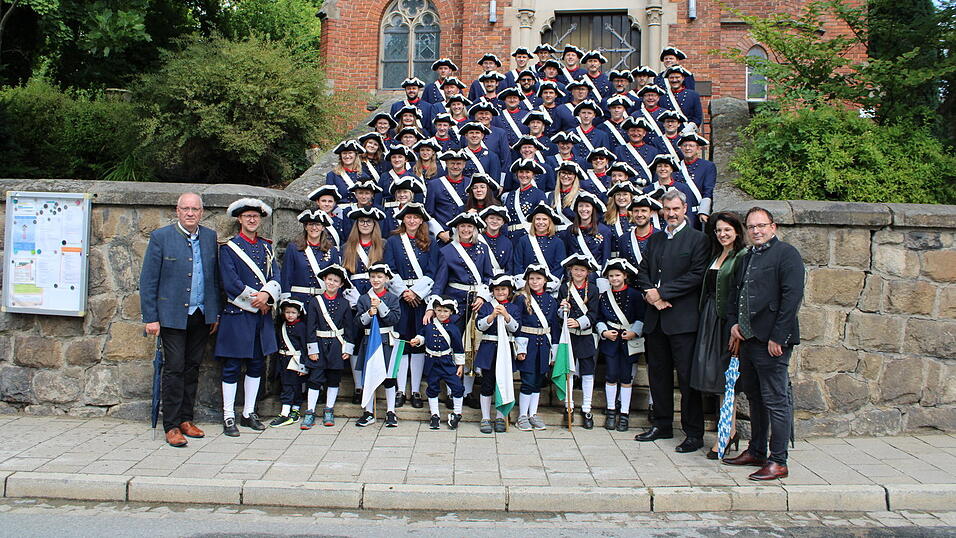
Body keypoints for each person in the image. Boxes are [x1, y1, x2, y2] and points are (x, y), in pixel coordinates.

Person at [723, 207, 804, 481]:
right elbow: (736, 294)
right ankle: (757, 450)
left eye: (761, 225)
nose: (756, 231)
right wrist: (733, 324)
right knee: (754, 397)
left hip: (772, 342)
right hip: (748, 339)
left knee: (776, 400)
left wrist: (778, 337)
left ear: (773, 227)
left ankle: (778, 460)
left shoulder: (786, 254)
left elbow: (791, 297)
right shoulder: (747, 257)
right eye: (751, 227)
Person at [140, 192, 220, 447]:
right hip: (172, 316)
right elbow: (148, 280)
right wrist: (151, 317)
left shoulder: (209, 237)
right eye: (186, 209)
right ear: (177, 211)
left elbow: (213, 278)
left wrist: (214, 312)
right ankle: (172, 425)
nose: (190, 213)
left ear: (201, 212)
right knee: (174, 368)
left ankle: (186, 418)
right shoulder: (161, 237)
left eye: (195, 209)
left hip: (200, 314)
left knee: (192, 367)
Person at [634, 189, 709, 453]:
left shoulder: (698, 239)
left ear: (685, 209)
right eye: (667, 209)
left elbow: (697, 275)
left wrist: (663, 293)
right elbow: (643, 271)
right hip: (656, 319)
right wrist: (652, 296)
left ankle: (693, 433)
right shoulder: (655, 239)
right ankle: (662, 424)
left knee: (687, 380)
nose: (671, 214)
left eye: (676, 209)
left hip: (683, 321)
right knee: (658, 375)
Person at [215, 198, 282, 437]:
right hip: (238, 315)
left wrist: (268, 296)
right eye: (247, 216)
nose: (252, 220)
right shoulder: (229, 248)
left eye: (255, 216)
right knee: (232, 366)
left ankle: (248, 412)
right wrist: (258, 302)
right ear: (239, 219)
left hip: (261, 316)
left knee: (256, 365)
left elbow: (276, 276)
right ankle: (228, 415)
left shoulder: (266, 247)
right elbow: (230, 282)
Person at [689, 212, 747, 458]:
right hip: (709, 318)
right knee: (715, 377)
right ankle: (728, 431)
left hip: (726, 321)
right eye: (719, 230)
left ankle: (727, 433)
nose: (723, 234)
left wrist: (737, 327)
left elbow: (742, 293)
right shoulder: (716, 255)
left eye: (727, 230)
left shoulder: (742, 257)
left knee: (727, 377)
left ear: (737, 231)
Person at [383, 203, 439, 409]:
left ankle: (415, 390)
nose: (412, 221)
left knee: (418, 343)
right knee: (401, 342)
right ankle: (400, 389)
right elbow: (389, 268)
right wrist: (405, 293)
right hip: (400, 298)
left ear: (421, 220)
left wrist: (416, 292)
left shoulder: (430, 242)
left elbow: (433, 271)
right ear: (403, 220)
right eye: (408, 217)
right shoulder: (393, 241)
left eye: (416, 217)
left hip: (421, 298)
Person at [302, 264, 355, 429]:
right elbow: (310, 328)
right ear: (324, 280)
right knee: (315, 378)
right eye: (329, 279)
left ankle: (329, 410)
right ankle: (310, 411)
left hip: (337, 346)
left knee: (334, 378)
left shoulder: (344, 303)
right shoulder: (315, 302)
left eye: (336, 281)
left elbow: (349, 328)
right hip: (319, 344)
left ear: (341, 284)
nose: (332, 283)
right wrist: (312, 350)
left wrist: (347, 348)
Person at [597, 258, 645, 432]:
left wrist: (634, 332)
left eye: (617, 275)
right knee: (611, 375)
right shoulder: (604, 297)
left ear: (624, 276)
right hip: (611, 341)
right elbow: (599, 318)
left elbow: (641, 316)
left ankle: (624, 414)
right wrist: (604, 332)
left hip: (628, 340)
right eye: (611, 276)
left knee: (626, 377)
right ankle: (611, 411)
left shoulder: (635, 295)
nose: (614, 279)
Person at [354, 262, 403, 427]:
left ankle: (391, 411)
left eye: (380, 277)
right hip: (369, 341)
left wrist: (381, 306)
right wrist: (369, 313)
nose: (376, 280)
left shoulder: (392, 298)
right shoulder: (363, 298)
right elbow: (358, 322)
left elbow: (394, 319)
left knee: (389, 377)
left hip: (386, 341)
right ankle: (368, 412)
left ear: (386, 279)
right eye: (373, 277)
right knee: (369, 376)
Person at [474, 274, 522, 433]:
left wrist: (506, 316)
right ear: (492, 291)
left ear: (509, 291)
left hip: (505, 350)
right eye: (497, 289)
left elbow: (516, 329)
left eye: (504, 289)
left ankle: (501, 416)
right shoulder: (487, 307)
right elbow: (480, 326)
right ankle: (486, 417)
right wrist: (492, 316)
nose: (500, 292)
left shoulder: (513, 308)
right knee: (487, 384)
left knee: (503, 383)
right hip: (489, 350)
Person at [557, 254, 600, 428]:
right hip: (569, 336)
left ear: (587, 272)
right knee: (569, 370)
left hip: (586, 335)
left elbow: (594, 314)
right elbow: (558, 314)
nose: (579, 273)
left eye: (582, 270)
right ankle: (569, 405)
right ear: (570, 270)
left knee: (588, 371)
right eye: (576, 269)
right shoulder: (564, 288)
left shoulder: (593, 290)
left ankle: (587, 407)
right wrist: (563, 309)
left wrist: (579, 322)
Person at [410, 296, 466, 430]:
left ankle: (457, 413)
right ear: (434, 310)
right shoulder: (429, 326)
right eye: (439, 310)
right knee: (432, 388)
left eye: (445, 311)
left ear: (451, 312)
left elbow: (458, 348)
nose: (442, 314)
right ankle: (434, 415)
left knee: (457, 387)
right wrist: (417, 340)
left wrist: (460, 365)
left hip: (447, 362)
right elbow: (422, 335)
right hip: (432, 362)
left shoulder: (453, 329)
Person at [281, 209, 341, 304]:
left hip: (322, 301)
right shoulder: (293, 248)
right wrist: (286, 299)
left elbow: (337, 278)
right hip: (298, 300)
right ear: (305, 227)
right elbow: (286, 275)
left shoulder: (332, 250)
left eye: (317, 224)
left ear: (323, 227)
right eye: (310, 224)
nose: (314, 228)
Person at [271, 298, 308, 427]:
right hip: (283, 360)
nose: (290, 315)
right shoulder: (282, 325)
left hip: (295, 360)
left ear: (298, 313)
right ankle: (290, 410)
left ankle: (289, 411)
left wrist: (303, 365)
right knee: (287, 384)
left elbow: (304, 347)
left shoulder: (301, 327)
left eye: (293, 312)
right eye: (287, 312)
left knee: (293, 386)